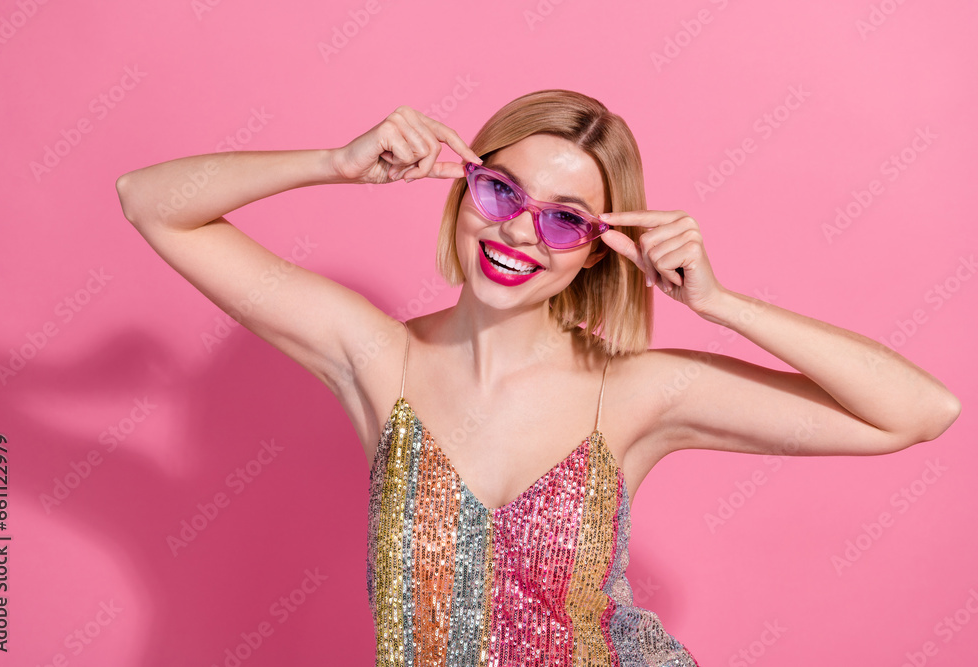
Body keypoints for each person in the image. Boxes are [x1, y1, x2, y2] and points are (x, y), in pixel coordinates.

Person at [115, 90, 961, 666]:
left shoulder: (635, 391)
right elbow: (150, 199)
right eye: (501, 191)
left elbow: (919, 409)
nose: (520, 232)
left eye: (564, 219)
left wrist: (720, 301)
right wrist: (336, 160)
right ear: (464, 186)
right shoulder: (377, 358)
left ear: (601, 247)